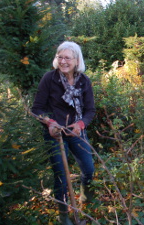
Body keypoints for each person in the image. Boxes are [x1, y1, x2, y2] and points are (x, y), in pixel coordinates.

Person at [32, 41, 96, 224]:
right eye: (60, 57)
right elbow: (37, 108)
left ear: (76, 60)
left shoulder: (84, 81)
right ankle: (64, 216)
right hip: (55, 134)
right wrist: (50, 123)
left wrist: (80, 125)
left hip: (76, 132)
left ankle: (86, 206)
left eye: (67, 57)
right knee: (61, 175)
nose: (63, 61)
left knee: (89, 170)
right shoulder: (49, 79)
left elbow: (90, 110)